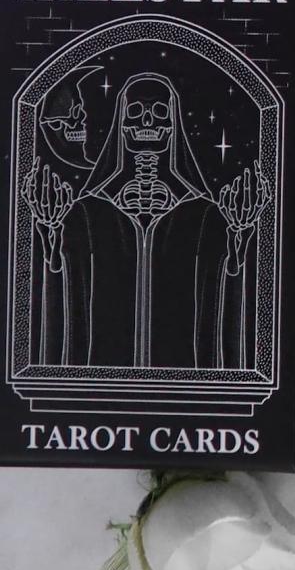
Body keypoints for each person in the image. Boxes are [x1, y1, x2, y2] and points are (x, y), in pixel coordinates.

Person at [27, 74, 267, 371]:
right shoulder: (89, 212)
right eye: (136, 112)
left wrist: (239, 236)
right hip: (104, 374)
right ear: (121, 124)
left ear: (173, 125)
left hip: (180, 373)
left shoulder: (202, 214)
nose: (148, 122)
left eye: (160, 112)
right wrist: (50, 233)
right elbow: (64, 276)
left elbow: (223, 279)